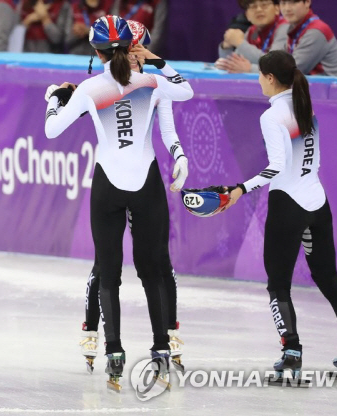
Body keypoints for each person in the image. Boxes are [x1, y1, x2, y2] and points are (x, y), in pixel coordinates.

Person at [44, 15, 193, 390]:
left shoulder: (90, 88)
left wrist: (53, 99)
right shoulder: (152, 80)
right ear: (131, 47)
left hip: (108, 185)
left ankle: (115, 352)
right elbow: (186, 90)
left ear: (94, 51)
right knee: (152, 270)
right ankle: (160, 348)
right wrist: (155, 59)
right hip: (146, 184)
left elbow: (51, 129)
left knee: (109, 271)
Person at [224, 50, 337, 381]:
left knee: (278, 285)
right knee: (328, 278)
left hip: (288, 205)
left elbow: (277, 167)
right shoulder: (305, 105)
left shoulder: (272, 117)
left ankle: (291, 356)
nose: (258, 81)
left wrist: (240, 189)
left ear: (271, 78)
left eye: (260, 75)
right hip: (317, 202)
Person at [76, 19, 185, 376]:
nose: (134, 60)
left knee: (157, 262)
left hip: (143, 178)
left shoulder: (152, 82)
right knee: (104, 263)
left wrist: (180, 154)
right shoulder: (109, 83)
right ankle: (92, 327)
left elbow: (167, 127)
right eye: (130, 53)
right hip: (122, 177)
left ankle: (168, 332)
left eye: (139, 54)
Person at [217, 0, 289, 73]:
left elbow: (274, 65)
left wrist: (250, 68)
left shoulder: (284, 28)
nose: (259, 10)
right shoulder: (252, 31)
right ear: (247, 15)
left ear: (277, 9)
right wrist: (226, 47)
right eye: (253, 6)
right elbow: (235, 62)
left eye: (264, 5)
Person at [279, 0, 337, 77]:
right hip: (314, 87)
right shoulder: (293, 29)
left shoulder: (316, 31)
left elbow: (290, 70)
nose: (287, 8)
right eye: (283, 3)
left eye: (293, 2)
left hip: (332, 88)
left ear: (307, 2)